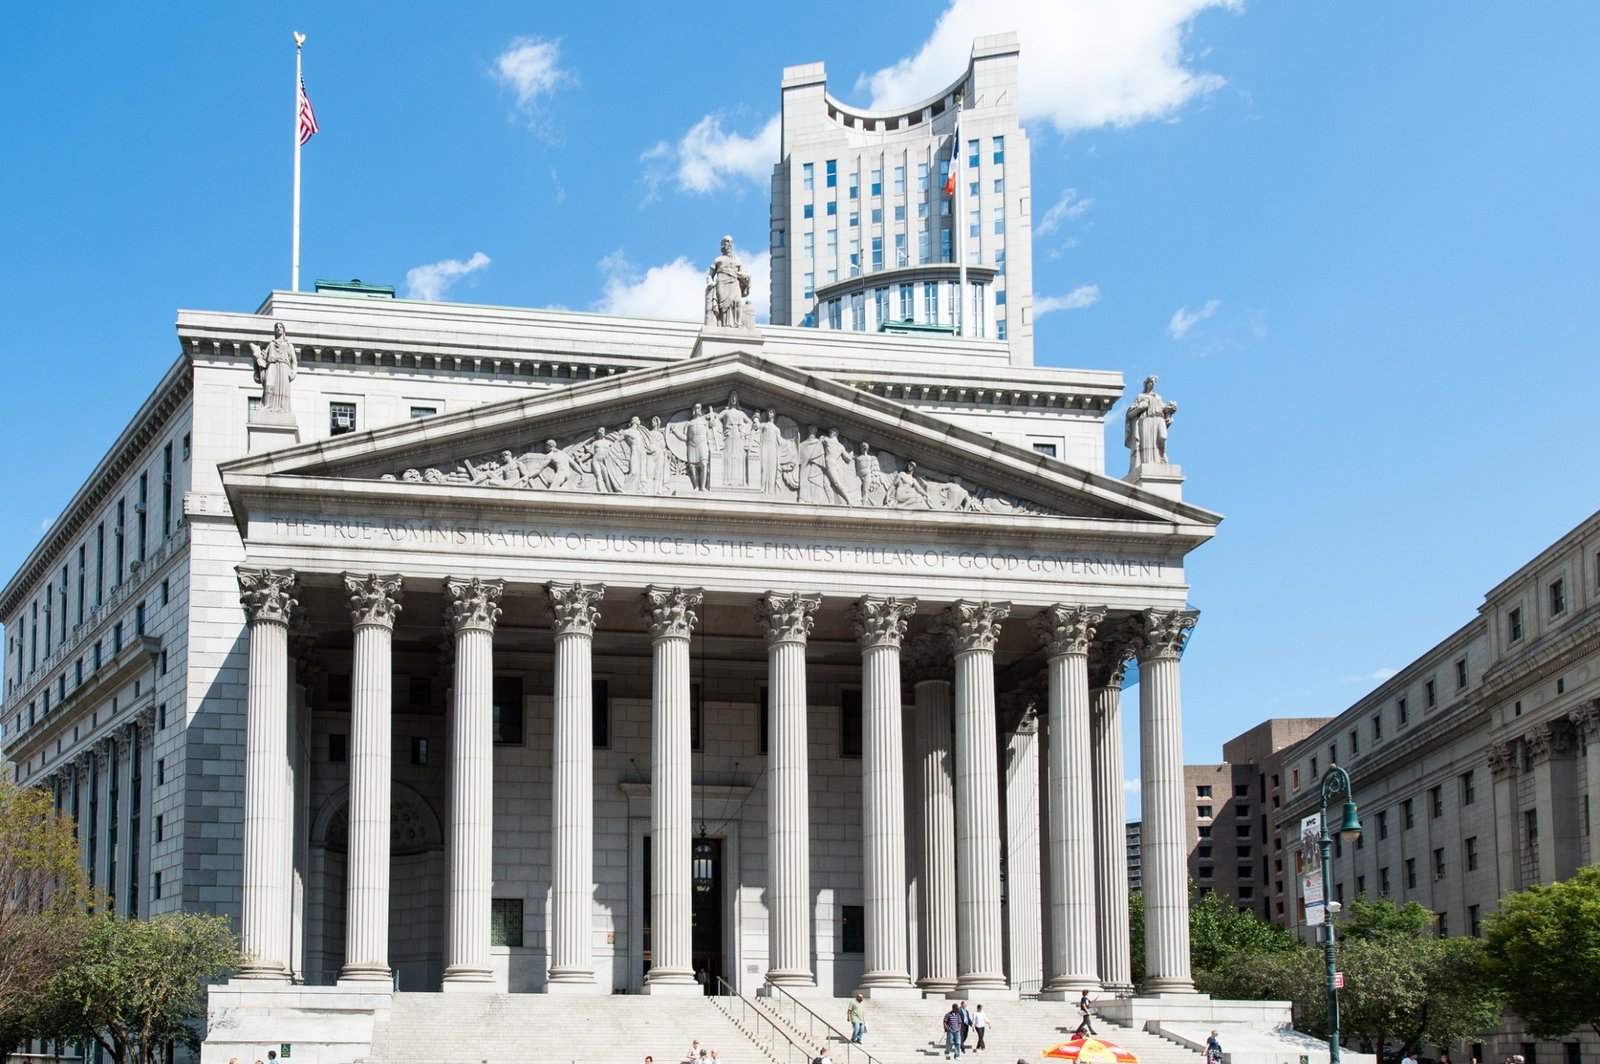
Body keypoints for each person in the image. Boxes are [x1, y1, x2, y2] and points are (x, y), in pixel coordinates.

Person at [1124, 374, 1177, 469]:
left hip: (1159, 419)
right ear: (1146, 384)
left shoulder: (1158, 397)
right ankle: (1147, 461)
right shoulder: (1141, 396)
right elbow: (1129, 414)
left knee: (1163, 437)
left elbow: (1163, 409)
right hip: (1146, 420)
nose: (1153, 384)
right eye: (1151, 381)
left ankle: (1161, 458)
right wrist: (1140, 407)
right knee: (1147, 442)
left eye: (1154, 382)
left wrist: (1170, 409)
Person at [250, 322, 298, 414]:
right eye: (276, 327)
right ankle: (267, 406)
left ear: (284, 330)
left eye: (280, 327)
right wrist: (257, 355)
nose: (278, 328)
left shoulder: (288, 345)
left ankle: (282, 408)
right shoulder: (271, 344)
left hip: (284, 367)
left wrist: (294, 372)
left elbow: (294, 361)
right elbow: (264, 356)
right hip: (272, 365)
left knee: (282, 389)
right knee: (269, 385)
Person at [705, 235, 751, 329]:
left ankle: (737, 324)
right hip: (722, 282)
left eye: (730, 242)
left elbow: (741, 271)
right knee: (724, 307)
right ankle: (723, 324)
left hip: (734, 281)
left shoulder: (737, 259)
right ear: (722, 245)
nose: (729, 244)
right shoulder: (718, 260)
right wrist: (710, 282)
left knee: (737, 301)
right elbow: (710, 275)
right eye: (727, 241)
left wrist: (744, 276)